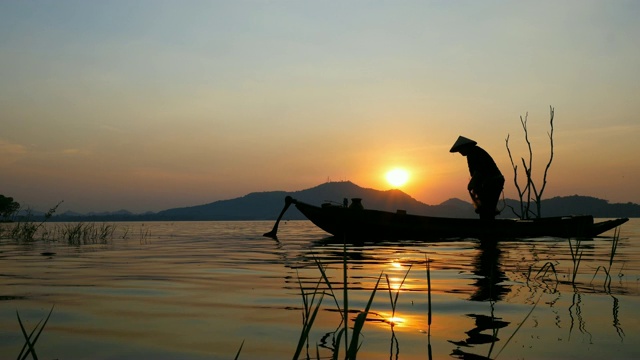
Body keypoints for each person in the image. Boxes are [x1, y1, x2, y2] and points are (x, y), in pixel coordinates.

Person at [450, 136, 505, 220]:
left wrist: (472, 184)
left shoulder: (474, 153)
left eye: (460, 150)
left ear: (465, 147)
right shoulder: (473, 152)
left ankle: (487, 227)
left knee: (486, 207)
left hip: (493, 181)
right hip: (493, 181)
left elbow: (479, 171)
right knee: (487, 207)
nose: (460, 152)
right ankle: (489, 225)